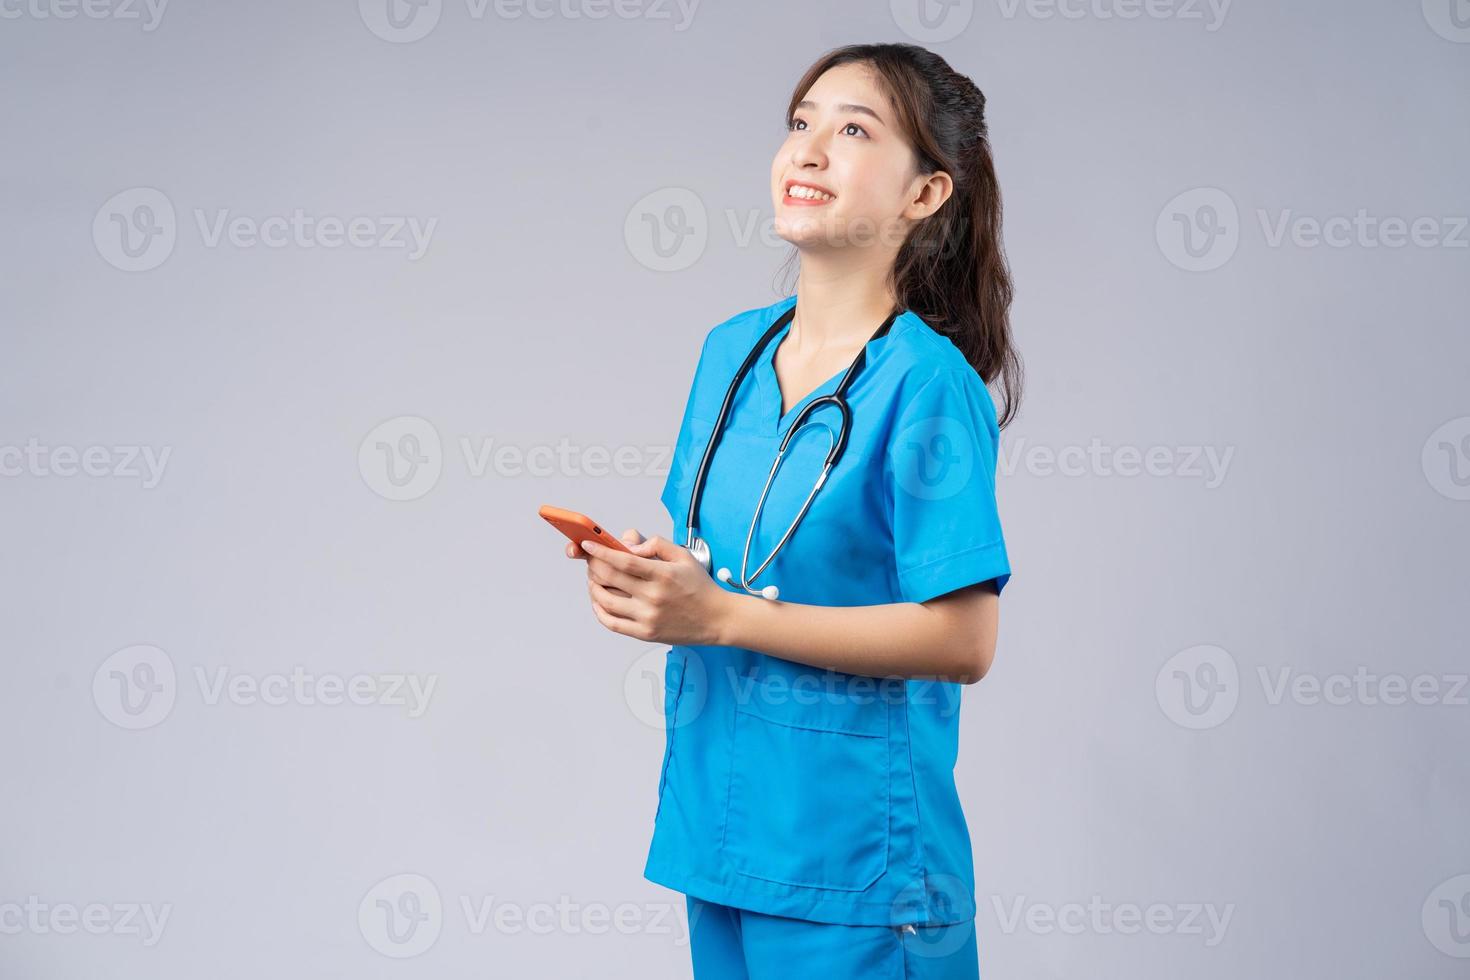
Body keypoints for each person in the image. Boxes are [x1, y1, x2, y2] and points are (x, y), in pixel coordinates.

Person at [566, 42, 1021, 980]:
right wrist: (654, 581)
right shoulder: (731, 353)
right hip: (722, 827)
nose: (807, 151)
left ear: (925, 195)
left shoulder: (924, 385)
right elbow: (728, 558)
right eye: (800, 122)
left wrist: (724, 617)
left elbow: (965, 640)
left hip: (857, 857)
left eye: (854, 130)